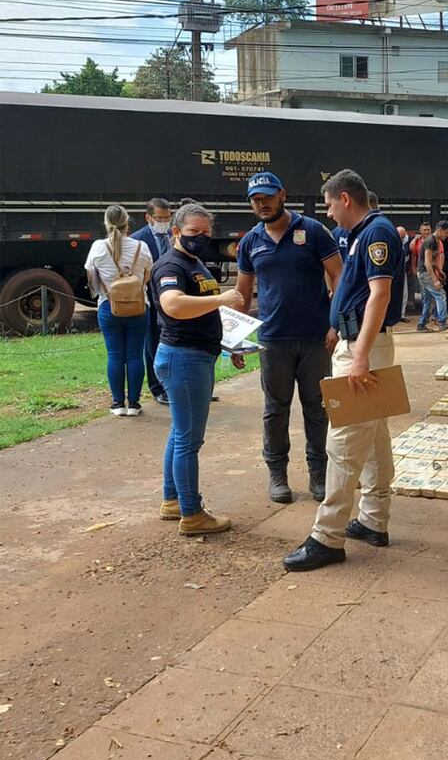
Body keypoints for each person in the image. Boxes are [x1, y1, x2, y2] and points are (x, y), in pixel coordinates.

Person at [283, 168, 405, 572]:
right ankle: (373, 519)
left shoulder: (376, 233)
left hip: (363, 349)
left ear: (346, 199)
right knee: (373, 438)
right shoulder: (361, 234)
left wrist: (361, 356)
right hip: (357, 344)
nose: (330, 213)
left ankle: (327, 537)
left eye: (331, 205)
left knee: (344, 443)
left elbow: (380, 295)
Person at [234, 172, 342, 504]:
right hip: (273, 341)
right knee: (275, 410)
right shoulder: (251, 242)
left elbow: (339, 276)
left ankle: (319, 474)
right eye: (255, 199)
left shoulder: (312, 231)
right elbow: (242, 294)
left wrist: (334, 325)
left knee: (317, 408)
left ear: (282, 194)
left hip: (314, 339)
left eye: (267, 196)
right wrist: (236, 339)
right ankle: (277, 474)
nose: (261, 203)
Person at [152, 203, 245, 537]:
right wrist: (222, 299)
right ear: (176, 232)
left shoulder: (195, 263)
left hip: (196, 354)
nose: (201, 238)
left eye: (206, 232)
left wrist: (230, 344)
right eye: (194, 232)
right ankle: (192, 514)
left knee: (180, 434)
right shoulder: (171, 265)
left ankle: (173, 500)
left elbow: (201, 310)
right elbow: (173, 304)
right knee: (189, 440)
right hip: (183, 358)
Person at [85, 205, 153, 417]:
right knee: (135, 355)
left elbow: (91, 278)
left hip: (109, 306)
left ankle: (117, 403)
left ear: (106, 223)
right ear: (127, 223)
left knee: (115, 355)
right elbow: (148, 275)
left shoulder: (98, 247)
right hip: (139, 307)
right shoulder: (142, 247)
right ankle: (134, 403)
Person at [132, 198, 173, 405]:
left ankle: (177, 385)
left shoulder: (175, 235)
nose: (164, 222)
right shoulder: (138, 241)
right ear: (148, 217)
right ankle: (157, 387)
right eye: (159, 218)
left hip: (174, 299)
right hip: (150, 298)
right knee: (153, 343)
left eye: (167, 217)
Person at [417, 220, 448, 332]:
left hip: (425, 272)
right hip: (425, 273)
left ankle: (421, 324)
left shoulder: (435, 241)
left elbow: (431, 261)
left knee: (428, 300)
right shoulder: (431, 241)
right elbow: (427, 262)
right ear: (439, 230)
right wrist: (435, 280)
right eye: (446, 233)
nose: (446, 235)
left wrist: (439, 270)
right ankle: (442, 322)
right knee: (441, 295)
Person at [396, 225, 410, 321]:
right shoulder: (392, 241)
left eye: (403, 237)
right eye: (400, 237)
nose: (402, 238)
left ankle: (402, 315)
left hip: (402, 271)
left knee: (404, 293)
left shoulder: (406, 242)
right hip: (393, 272)